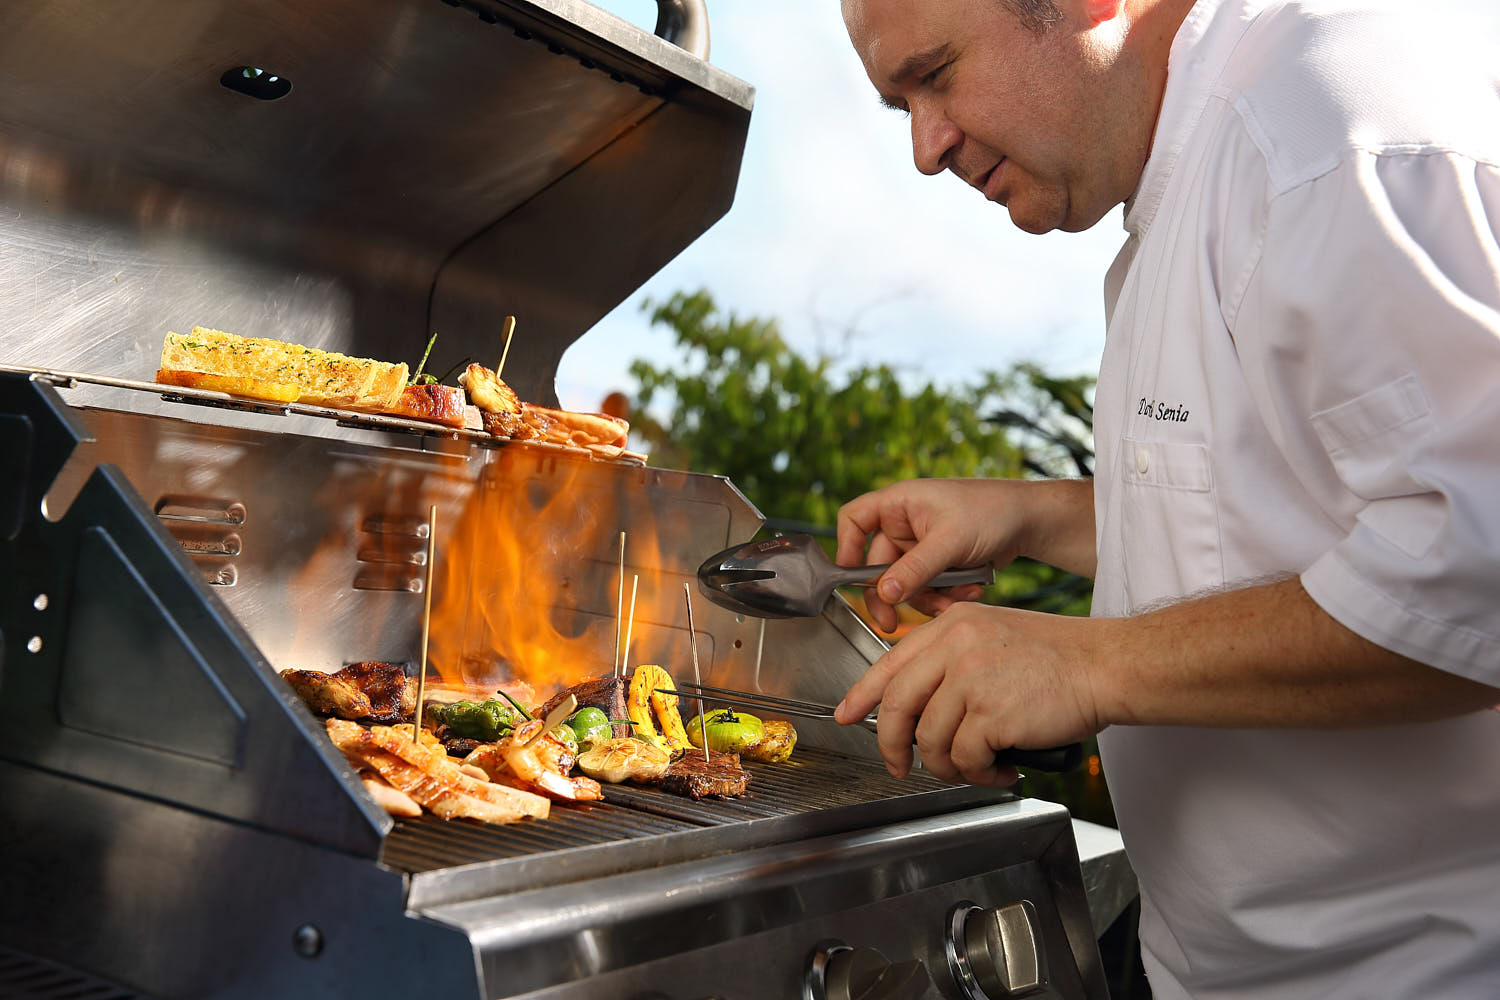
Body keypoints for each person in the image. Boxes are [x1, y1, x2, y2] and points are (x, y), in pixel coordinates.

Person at [831, 0, 1500, 996]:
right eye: (902, 107)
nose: (927, 148)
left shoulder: (1324, 126)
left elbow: (1474, 569)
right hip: (1206, 964)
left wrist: (1092, 667)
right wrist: (1029, 514)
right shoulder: (1181, 185)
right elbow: (1291, 506)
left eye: (935, 75)